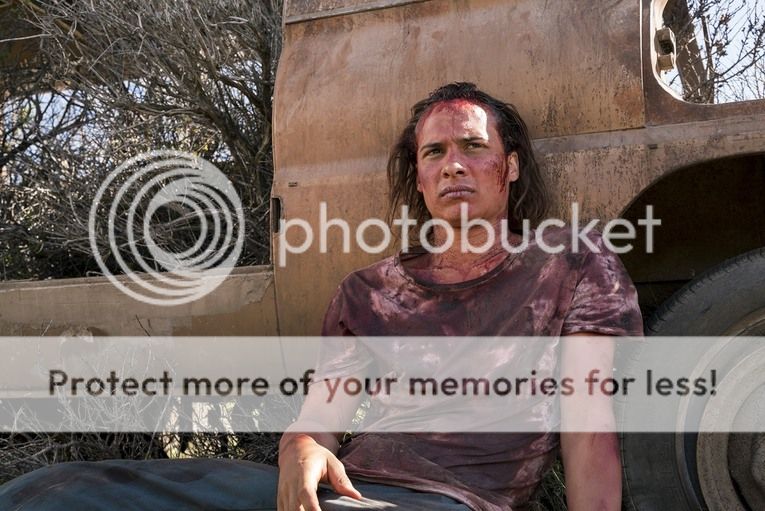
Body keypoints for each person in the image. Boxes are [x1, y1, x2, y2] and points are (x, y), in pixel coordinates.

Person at [0, 82, 642, 511]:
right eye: (435, 152)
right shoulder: (368, 292)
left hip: (450, 500)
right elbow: (319, 420)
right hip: (339, 489)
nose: (454, 164)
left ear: (511, 166)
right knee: (52, 491)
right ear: (420, 179)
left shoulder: (573, 263)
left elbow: (589, 430)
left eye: (474, 147)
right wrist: (300, 449)